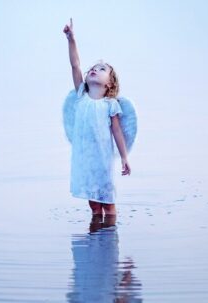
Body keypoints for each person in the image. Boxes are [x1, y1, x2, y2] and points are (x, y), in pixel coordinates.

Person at [62, 18, 138, 216]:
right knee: (94, 206)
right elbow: (75, 65)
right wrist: (71, 39)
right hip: (86, 163)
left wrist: (124, 157)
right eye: (93, 68)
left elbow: (117, 132)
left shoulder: (110, 105)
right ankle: (94, 240)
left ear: (109, 85)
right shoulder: (81, 96)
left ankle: (109, 237)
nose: (95, 69)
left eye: (102, 69)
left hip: (103, 163)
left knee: (109, 204)